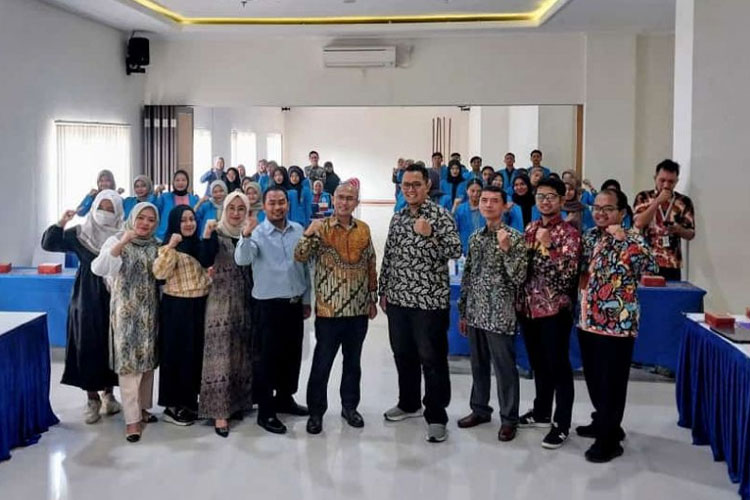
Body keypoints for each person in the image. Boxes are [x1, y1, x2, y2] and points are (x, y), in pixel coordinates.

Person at [379, 163, 462, 443]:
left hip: (429, 302)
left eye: (416, 184)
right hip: (399, 299)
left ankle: (437, 415)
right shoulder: (398, 217)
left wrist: (431, 235)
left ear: (427, 186)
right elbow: (389, 256)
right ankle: (409, 402)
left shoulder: (440, 215)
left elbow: (455, 250)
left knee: (433, 359)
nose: (411, 189)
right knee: (403, 354)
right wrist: (383, 291)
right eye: (406, 185)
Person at [577, 189, 657, 462]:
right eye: (596, 208)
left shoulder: (632, 237)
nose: (600, 213)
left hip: (618, 324)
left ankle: (609, 441)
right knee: (595, 378)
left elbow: (650, 266)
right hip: (588, 320)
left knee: (612, 382)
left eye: (607, 208)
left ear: (622, 212)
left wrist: (627, 242)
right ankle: (604, 422)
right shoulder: (589, 237)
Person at [294, 182, 378, 434]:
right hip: (329, 311)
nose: (344, 202)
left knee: (353, 363)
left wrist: (372, 298)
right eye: (340, 197)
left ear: (356, 202)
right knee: (322, 363)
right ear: (333, 200)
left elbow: (370, 263)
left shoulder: (363, 229)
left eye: (349, 198)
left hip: (358, 311)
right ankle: (316, 412)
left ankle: (350, 407)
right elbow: (300, 255)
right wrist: (309, 233)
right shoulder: (321, 228)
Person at [41, 190, 124, 424]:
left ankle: (109, 395)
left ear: (118, 211)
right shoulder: (80, 233)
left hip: (115, 295)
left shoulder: (122, 234)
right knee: (87, 344)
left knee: (111, 345)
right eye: (102, 207)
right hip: (86, 295)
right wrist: (62, 221)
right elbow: (49, 243)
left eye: (110, 209)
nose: (105, 213)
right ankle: (91, 399)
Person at [235, 186, 312, 435]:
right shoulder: (256, 233)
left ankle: (285, 399)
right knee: (266, 360)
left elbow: (304, 267)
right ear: (264, 207)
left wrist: (306, 299)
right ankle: (266, 411)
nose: (278, 207)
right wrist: (245, 236)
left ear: (287, 204)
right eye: (272, 203)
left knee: (291, 356)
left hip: (293, 304)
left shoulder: (299, 230)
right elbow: (243, 260)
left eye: (281, 202)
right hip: (267, 307)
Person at [457, 186, 528, 441]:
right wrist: (463, 310)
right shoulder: (475, 237)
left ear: (504, 206)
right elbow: (468, 276)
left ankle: (509, 418)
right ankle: (480, 409)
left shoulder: (515, 238)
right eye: (484, 200)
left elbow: (520, 277)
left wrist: (507, 249)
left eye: (494, 201)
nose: (487, 205)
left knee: (505, 368)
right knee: (478, 365)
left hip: (500, 314)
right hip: (476, 311)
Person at [517, 177, 581, 449]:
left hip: (555, 310)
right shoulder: (530, 228)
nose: (545, 201)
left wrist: (551, 246)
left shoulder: (570, 233)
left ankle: (562, 423)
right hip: (529, 310)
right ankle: (541, 411)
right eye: (541, 196)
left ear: (562, 199)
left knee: (558, 367)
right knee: (538, 364)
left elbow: (568, 276)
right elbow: (522, 268)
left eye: (551, 196)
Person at [91, 202, 160, 443]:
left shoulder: (156, 246)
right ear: (132, 218)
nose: (145, 223)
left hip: (150, 314)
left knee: (147, 363)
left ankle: (142, 408)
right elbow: (99, 268)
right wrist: (123, 242)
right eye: (141, 218)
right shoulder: (116, 241)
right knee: (129, 366)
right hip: (126, 316)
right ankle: (132, 420)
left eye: (151, 220)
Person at [153, 205, 217, 427]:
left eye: (191, 219)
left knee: (194, 355)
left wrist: (208, 235)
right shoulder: (168, 247)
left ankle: (189, 402)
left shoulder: (197, 244)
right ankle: (172, 406)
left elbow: (208, 260)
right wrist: (171, 246)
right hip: (176, 307)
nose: (189, 224)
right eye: (183, 220)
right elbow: (159, 273)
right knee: (176, 356)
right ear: (174, 224)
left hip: (199, 305)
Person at [199, 192, 254, 437]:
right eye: (231, 208)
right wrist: (206, 235)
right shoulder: (216, 232)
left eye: (241, 209)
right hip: (220, 300)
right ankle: (219, 413)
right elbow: (204, 257)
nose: (235, 213)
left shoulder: (250, 233)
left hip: (245, 299)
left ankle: (238, 404)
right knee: (219, 354)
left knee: (241, 353)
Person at [634, 159, 695, 281]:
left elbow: (690, 234)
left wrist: (678, 229)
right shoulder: (643, 197)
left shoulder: (683, 201)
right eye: (662, 180)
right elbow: (639, 223)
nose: (666, 185)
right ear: (655, 178)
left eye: (671, 181)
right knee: (647, 298)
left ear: (676, 181)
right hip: (646, 260)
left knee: (671, 298)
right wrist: (657, 202)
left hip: (671, 262)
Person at [154, 170, 199, 242]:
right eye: (177, 180)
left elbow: (197, 218)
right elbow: (153, 210)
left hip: (188, 239)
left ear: (187, 182)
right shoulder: (164, 198)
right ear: (173, 182)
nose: (180, 183)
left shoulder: (194, 199)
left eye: (183, 180)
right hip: (165, 238)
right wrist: (155, 194)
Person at [453, 179, 485, 255]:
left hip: (484, 250)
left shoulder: (486, 208)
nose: (475, 194)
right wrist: (454, 208)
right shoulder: (460, 209)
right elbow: (454, 228)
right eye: (472, 191)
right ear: (467, 191)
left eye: (478, 191)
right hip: (465, 250)